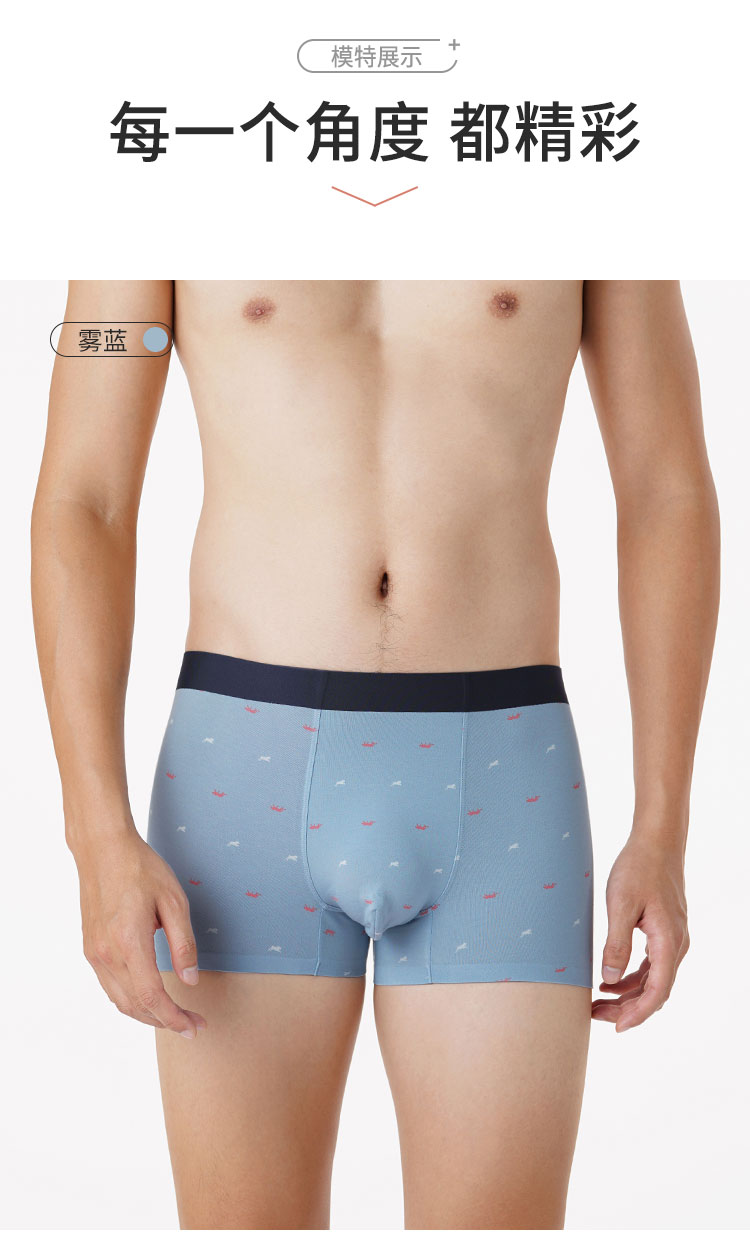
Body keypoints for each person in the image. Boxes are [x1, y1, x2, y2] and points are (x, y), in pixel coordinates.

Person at [31, 280, 719, 1230]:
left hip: (502, 783)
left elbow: (666, 490)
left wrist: (664, 828)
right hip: (244, 779)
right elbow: (86, 497)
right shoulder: (159, 194)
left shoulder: (587, 196)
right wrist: (96, 834)